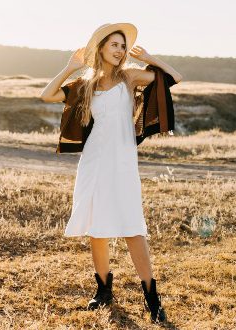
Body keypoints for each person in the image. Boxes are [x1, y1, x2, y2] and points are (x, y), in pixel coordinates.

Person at [39, 23, 182, 323]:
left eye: (122, 46)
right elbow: (47, 95)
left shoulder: (129, 77)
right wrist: (68, 67)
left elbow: (174, 78)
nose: (119, 50)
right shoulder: (87, 84)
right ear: (101, 48)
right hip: (94, 160)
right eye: (114, 45)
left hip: (123, 158)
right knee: (97, 225)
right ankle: (103, 289)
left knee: (132, 226)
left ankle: (151, 298)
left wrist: (153, 59)